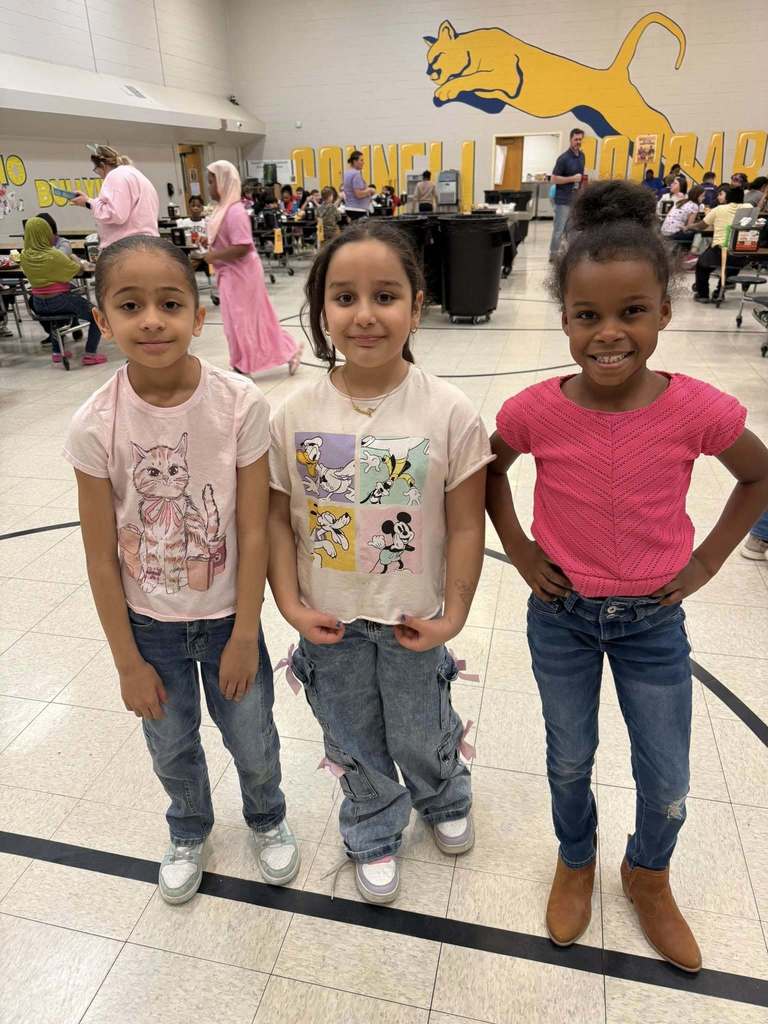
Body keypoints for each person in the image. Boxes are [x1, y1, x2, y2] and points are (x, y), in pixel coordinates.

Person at [487, 179, 768, 972]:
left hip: (653, 623)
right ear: (566, 318)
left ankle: (648, 872)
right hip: (564, 616)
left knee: (668, 775)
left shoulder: (697, 410)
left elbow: (758, 475)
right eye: (588, 316)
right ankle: (575, 859)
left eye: (631, 313)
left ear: (664, 313)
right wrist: (522, 546)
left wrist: (708, 560)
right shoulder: (537, 410)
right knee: (569, 757)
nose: (609, 334)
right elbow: (487, 471)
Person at [64, 235, 300, 905]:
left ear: (199, 316)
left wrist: (248, 631)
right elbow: (99, 554)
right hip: (151, 630)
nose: (151, 320)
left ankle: (268, 816)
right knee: (171, 745)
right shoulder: (95, 425)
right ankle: (189, 827)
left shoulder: (240, 404)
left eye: (170, 303)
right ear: (103, 319)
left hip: (229, 615)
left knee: (252, 736)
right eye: (129, 305)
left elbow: (254, 525)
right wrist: (125, 663)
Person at [268, 220, 492, 904]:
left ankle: (441, 791)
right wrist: (289, 603)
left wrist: (454, 613)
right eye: (344, 297)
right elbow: (278, 518)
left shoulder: (449, 412)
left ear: (416, 306)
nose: (365, 314)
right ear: (320, 310)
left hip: (413, 618)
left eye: (386, 295)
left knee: (422, 724)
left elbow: (463, 523)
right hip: (329, 619)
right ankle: (371, 823)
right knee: (352, 733)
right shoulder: (291, 412)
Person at [202, 161, 301, 375]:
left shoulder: (235, 211)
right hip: (229, 272)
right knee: (234, 320)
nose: (208, 186)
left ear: (224, 182)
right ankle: (243, 360)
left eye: (211, 181)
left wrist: (213, 256)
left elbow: (243, 246)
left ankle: (246, 363)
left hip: (242, 273)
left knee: (243, 320)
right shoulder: (222, 210)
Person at [20, 216, 105, 366]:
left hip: (38, 302)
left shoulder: (24, 256)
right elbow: (77, 271)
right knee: (97, 316)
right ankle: (90, 354)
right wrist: (74, 258)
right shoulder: (53, 254)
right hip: (59, 300)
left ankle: (57, 352)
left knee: (55, 321)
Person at [71, 145, 159, 249]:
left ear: (103, 165)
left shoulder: (115, 176)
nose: (98, 174)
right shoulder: (135, 174)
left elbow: (116, 214)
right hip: (146, 245)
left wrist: (88, 202)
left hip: (127, 247)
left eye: (96, 169)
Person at [691, 186, 751, 302]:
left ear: (727, 197)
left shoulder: (719, 209)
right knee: (730, 266)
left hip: (720, 252)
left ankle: (702, 294)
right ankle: (720, 291)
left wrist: (689, 226)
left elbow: (702, 225)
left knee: (702, 265)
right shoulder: (749, 208)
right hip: (741, 254)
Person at [549, 127, 586, 260]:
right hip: (563, 200)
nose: (578, 142)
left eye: (580, 139)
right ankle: (553, 255)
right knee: (559, 230)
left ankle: (571, 255)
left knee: (573, 230)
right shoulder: (563, 158)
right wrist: (571, 179)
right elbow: (553, 179)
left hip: (575, 199)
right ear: (570, 140)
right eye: (576, 139)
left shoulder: (582, 156)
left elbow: (580, 177)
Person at [176, 196, 211, 285]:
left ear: (202, 208)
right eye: (193, 205)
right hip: (192, 256)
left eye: (198, 206)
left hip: (207, 255)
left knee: (215, 271)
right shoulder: (184, 223)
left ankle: (215, 290)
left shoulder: (207, 222)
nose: (195, 208)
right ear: (189, 207)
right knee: (184, 274)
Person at [342, 150, 376, 222]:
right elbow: (358, 194)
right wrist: (370, 190)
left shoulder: (346, 173)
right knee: (361, 233)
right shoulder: (356, 174)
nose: (363, 162)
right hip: (357, 210)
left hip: (351, 208)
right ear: (355, 161)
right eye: (361, 160)